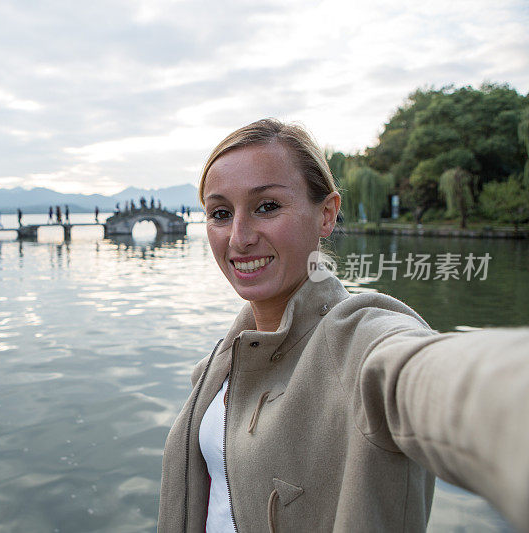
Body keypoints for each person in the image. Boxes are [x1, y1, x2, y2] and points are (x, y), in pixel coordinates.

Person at [158, 118, 529, 532]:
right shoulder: (222, 362)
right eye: (221, 213)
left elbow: (420, 375)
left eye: (267, 206)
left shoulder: (357, 340)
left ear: (327, 214)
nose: (239, 237)